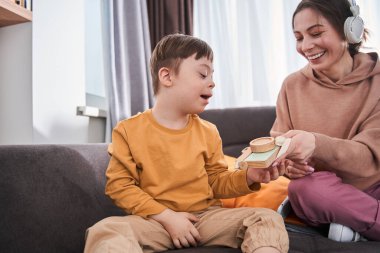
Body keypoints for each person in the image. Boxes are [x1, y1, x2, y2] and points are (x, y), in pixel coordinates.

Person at [84, 34, 289, 253]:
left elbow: (217, 182)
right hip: (155, 222)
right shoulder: (128, 130)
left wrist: (249, 177)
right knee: (106, 229)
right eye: (202, 74)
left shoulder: (209, 132)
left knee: (265, 218)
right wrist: (167, 217)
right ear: (167, 76)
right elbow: (119, 186)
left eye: (212, 75)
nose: (212, 82)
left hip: (206, 219)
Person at [271, 0, 380, 242]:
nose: (306, 46)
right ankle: (358, 222)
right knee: (303, 189)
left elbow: (370, 160)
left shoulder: (377, 82)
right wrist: (288, 166)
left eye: (316, 33)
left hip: (374, 185)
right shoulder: (292, 86)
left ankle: (353, 223)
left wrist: (316, 144)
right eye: (299, 37)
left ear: (350, 30)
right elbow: (278, 147)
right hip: (324, 194)